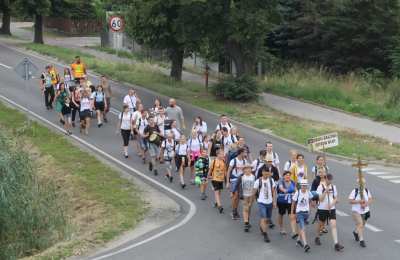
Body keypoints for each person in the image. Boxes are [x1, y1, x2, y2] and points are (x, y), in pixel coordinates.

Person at [315, 173, 344, 252]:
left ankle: (336, 244)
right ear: (325, 179)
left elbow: (336, 198)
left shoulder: (333, 187)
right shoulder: (320, 187)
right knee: (321, 224)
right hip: (322, 209)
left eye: (331, 179)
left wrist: (332, 204)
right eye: (329, 179)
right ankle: (317, 237)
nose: (330, 181)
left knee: (333, 225)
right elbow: (320, 199)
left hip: (331, 209)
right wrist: (325, 191)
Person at [253, 165, 276, 243]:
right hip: (261, 202)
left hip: (269, 202)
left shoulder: (271, 180)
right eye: (265, 174)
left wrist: (274, 201)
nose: (266, 175)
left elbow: (273, 191)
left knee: (267, 219)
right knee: (264, 218)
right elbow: (254, 192)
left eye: (268, 174)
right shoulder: (258, 181)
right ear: (262, 172)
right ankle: (265, 234)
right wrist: (251, 201)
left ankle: (262, 227)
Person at [348, 177, 373, 248]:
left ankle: (356, 232)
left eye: (363, 183)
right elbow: (350, 200)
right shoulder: (355, 191)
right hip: (356, 211)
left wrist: (366, 204)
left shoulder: (367, 190)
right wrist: (359, 201)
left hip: (365, 211)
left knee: (362, 225)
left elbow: (370, 199)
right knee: (360, 223)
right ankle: (361, 240)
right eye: (361, 183)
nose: (362, 185)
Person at [291, 179, 313, 252]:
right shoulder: (298, 193)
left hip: (306, 213)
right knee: (303, 228)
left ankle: (298, 240)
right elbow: (293, 203)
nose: (304, 187)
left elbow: (310, 201)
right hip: (299, 213)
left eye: (305, 186)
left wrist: (309, 210)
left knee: (302, 228)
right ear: (300, 186)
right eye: (303, 186)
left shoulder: (308, 192)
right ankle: (305, 244)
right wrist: (292, 213)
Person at [227, 148, 249, 220]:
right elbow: (228, 171)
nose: (246, 154)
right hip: (234, 179)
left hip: (241, 180)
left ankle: (235, 210)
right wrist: (227, 182)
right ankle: (233, 211)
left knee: (238, 197)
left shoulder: (244, 161)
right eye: (245, 152)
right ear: (241, 153)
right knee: (235, 196)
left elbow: (248, 169)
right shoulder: (233, 161)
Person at [277, 171, 297, 237]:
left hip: (290, 201)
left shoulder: (293, 182)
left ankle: (294, 231)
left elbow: (296, 190)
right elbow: (282, 189)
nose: (288, 176)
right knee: (281, 214)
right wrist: (290, 191)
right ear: (284, 176)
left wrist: (295, 192)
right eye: (286, 175)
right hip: (282, 201)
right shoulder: (281, 182)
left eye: (289, 175)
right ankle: (281, 228)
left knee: (292, 215)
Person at [208, 149, 226, 213]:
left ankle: (216, 202)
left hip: (221, 179)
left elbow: (225, 170)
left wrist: (225, 179)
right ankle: (219, 206)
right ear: (217, 154)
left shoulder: (223, 161)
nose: (223, 155)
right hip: (215, 178)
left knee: (219, 192)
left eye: (223, 154)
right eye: (221, 154)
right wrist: (208, 176)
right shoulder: (214, 161)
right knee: (216, 192)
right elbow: (210, 169)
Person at [241, 164, 256, 232]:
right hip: (244, 195)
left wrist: (255, 195)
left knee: (249, 208)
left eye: (249, 168)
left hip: (251, 195)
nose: (248, 170)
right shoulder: (242, 177)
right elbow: (238, 186)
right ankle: (246, 223)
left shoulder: (253, 177)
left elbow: (255, 187)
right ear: (244, 170)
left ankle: (247, 220)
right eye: (246, 168)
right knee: (245, 208)